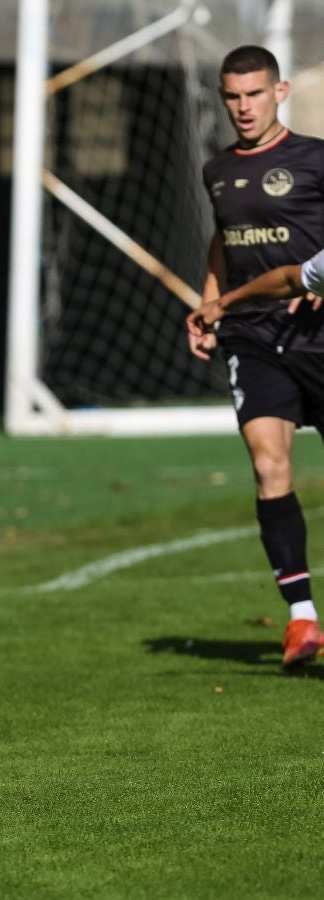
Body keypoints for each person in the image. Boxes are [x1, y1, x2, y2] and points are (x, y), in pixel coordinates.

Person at [183, 45, 324, 669]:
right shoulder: (217, 169)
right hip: (252, 336)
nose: (243, 107)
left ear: (280, 91)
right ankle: (301, 620)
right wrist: (209, 307)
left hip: (319, 330)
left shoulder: (316, 159)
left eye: (254, 94)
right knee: (270, 465)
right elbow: (223, 241)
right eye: (232, 97)